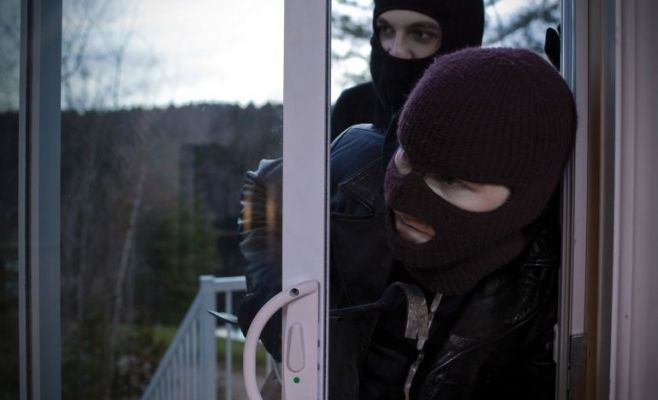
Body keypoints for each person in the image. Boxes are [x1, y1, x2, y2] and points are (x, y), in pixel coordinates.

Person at [238, 47, 576, 399]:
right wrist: (285, 314)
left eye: (450, 180)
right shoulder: (360, 165)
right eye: (408, 157)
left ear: (525, 198)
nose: (407, 200)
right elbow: (265, 188)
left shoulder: (550, 285)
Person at [330, 0, 485, 140]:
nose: (397, 50)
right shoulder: (353, 107)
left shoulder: (487, 123)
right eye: (386, 29)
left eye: (420, 34)